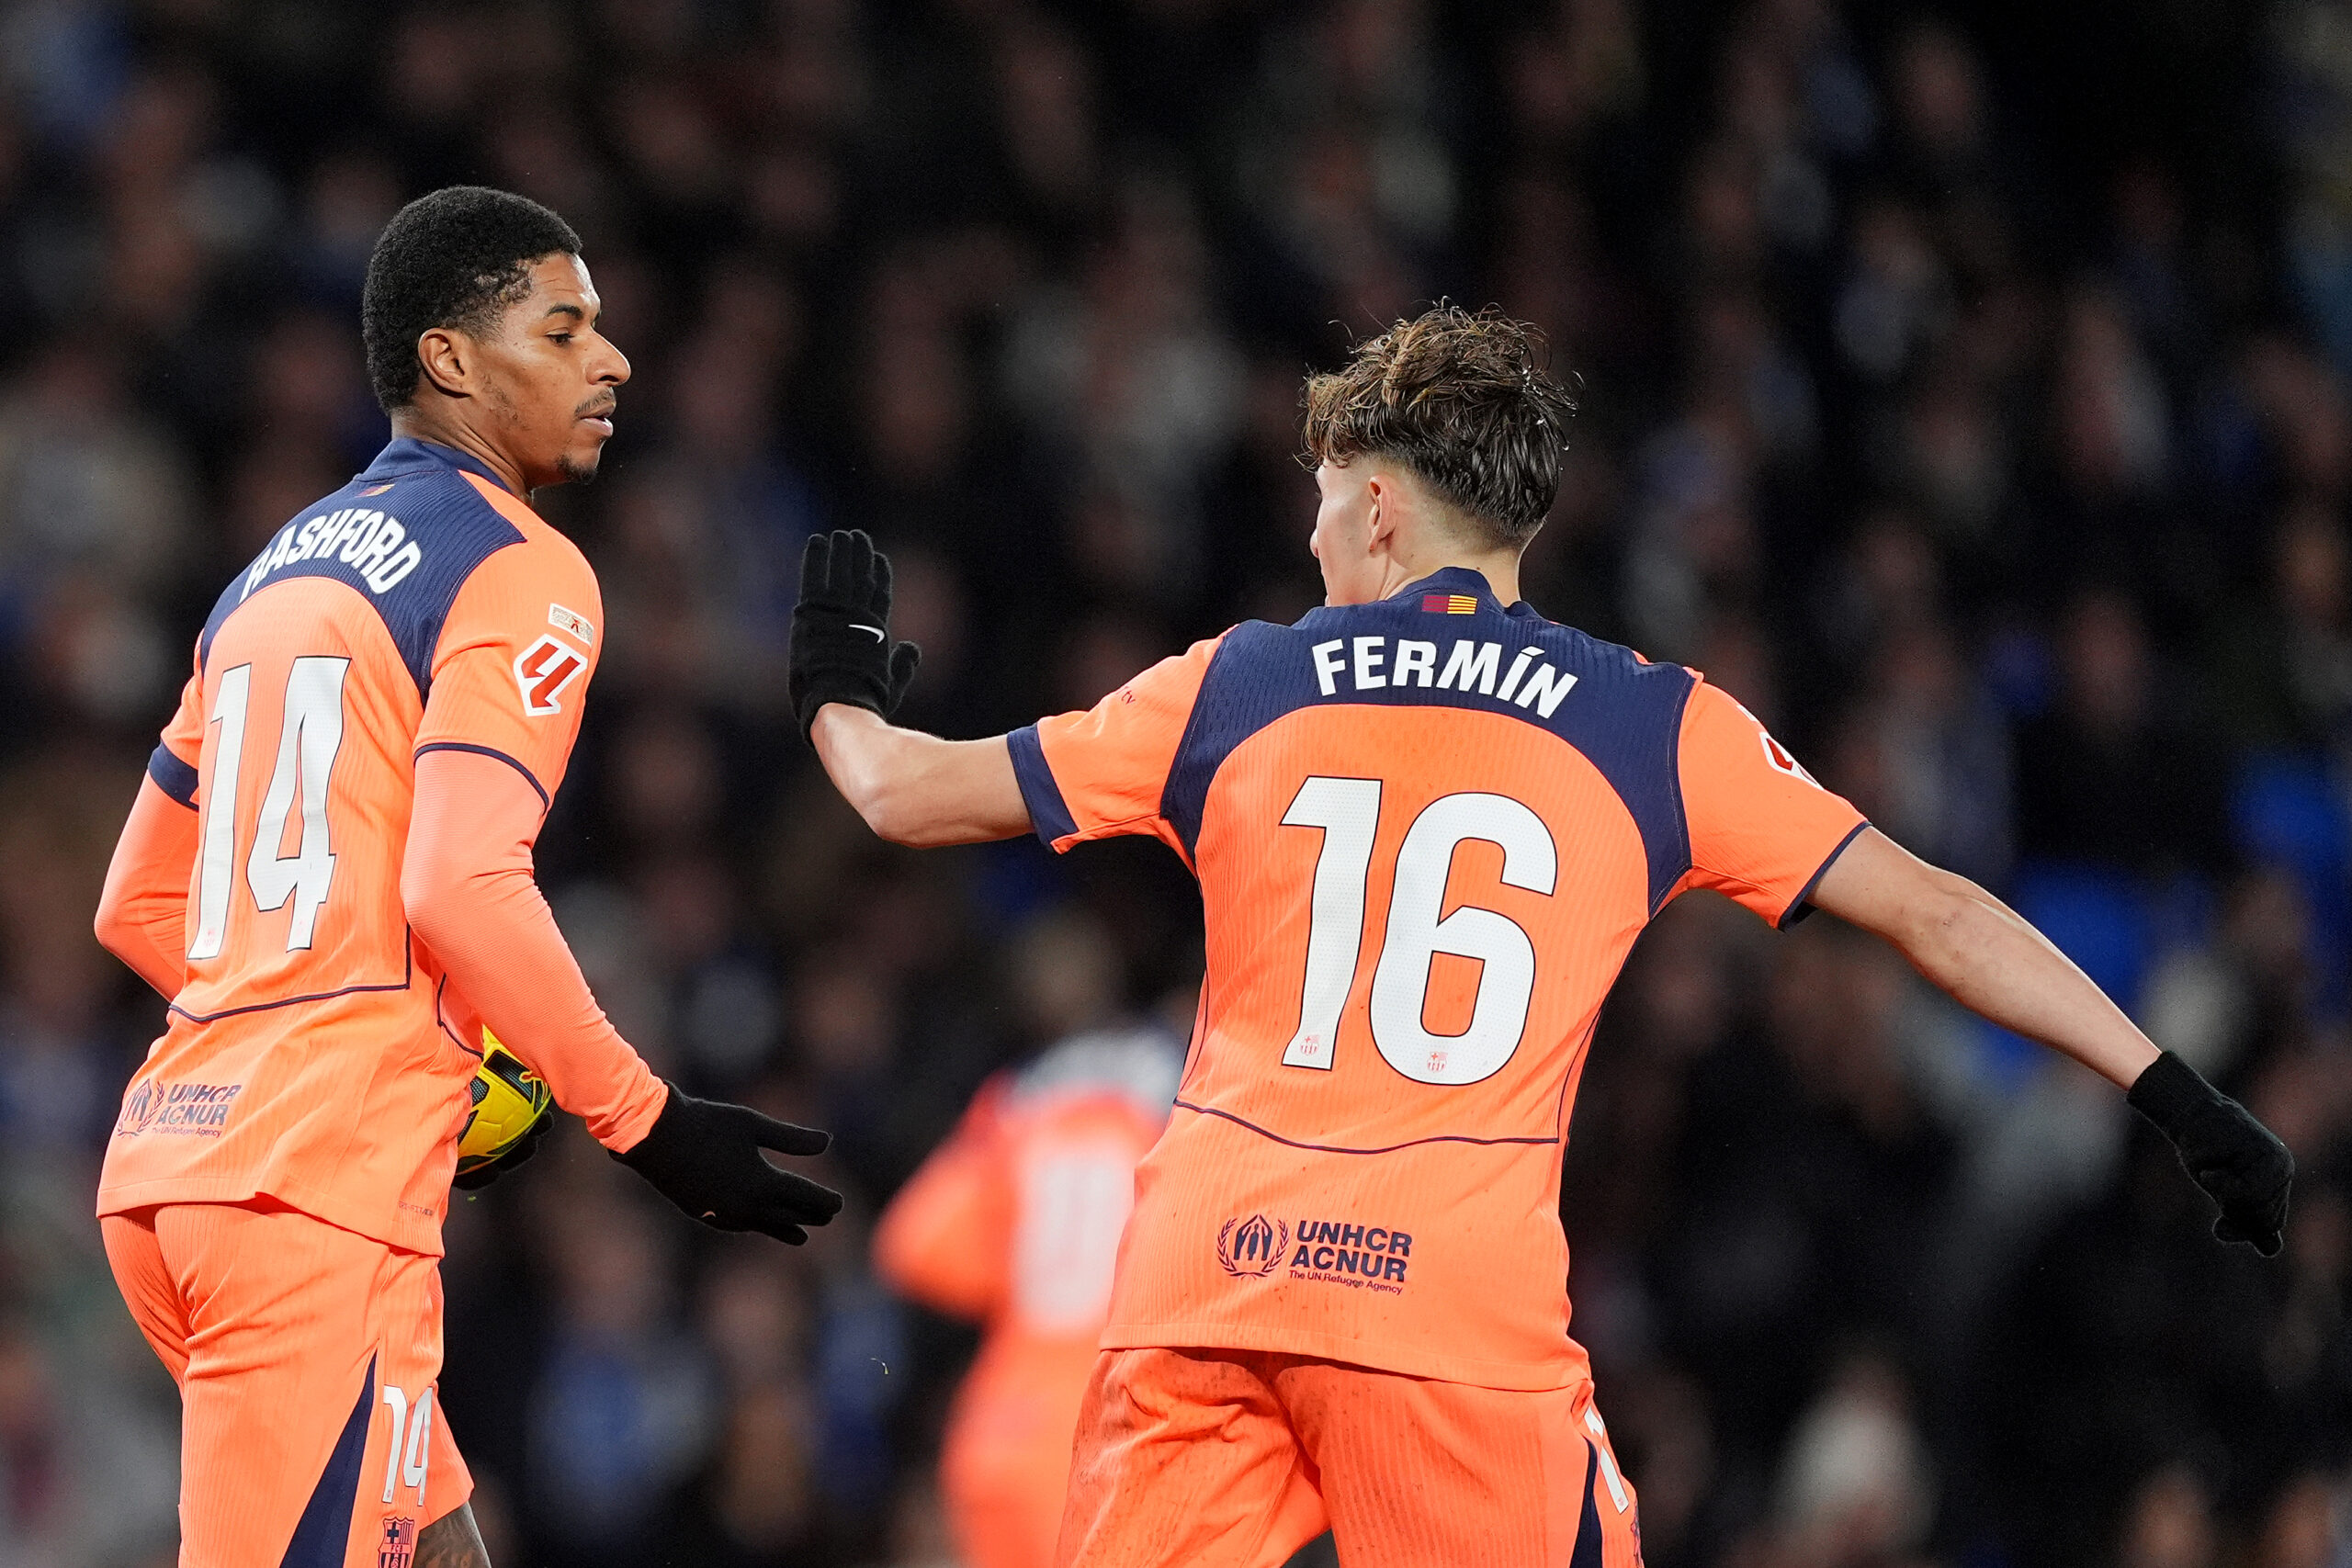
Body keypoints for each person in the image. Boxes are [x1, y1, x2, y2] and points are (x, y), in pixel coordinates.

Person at [792, 305, 2293, 1568]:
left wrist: (837, 685)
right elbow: (1937, 911)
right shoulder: (1650, 726)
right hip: (1443, 1318)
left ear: (1385, 506)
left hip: (1203, 1289)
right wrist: (2174, 1091)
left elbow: (896, 792)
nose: (1312, 532)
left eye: (1326, 496)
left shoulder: (1235, 685)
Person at [91, 186, 842, 1568]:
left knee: (437, 1546)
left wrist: (359, 1028)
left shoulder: (264, 576)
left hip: (176, 1169)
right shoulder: (518, 565)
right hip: (313, 1203)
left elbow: (137, 901)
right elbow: (461, 881)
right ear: (449, 358)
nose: (613, 360)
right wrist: (646, 1122)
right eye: (563, 330)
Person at [874, 915, 1183, 1568]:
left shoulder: (1018, 1102)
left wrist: (1012, 1268)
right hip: (1110, 1425)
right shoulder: (1187, 1085)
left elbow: (913, 1245)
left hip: (997, 1423)